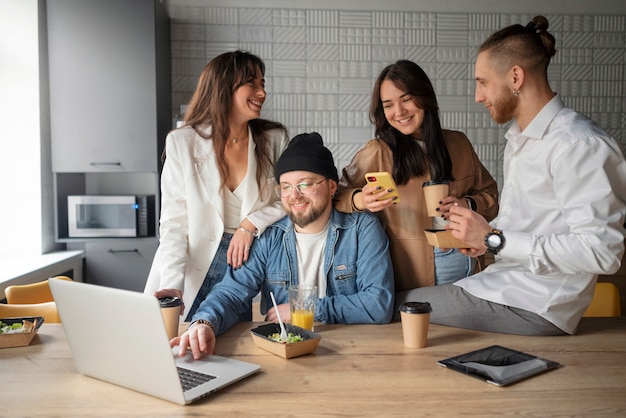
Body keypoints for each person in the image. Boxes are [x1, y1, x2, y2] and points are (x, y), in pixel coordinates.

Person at [397, 16, 626, 336]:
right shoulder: (519, 139)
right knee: (386, 302)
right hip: (502, 286)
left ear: (515, 76)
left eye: (482, 82)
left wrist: (494, 239)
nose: (478, 96)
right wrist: (485, 243)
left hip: (535, 305)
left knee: (391, 307)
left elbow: (603, 253)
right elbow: (532, 230)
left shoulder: (579, 145)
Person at [173, 132, 395, 358]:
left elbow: (378, 304)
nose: (294, 195)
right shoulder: (270, 237)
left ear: (331, 187)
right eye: (286, 187)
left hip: (355, 351)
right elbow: (231, 292)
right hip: (287, 352)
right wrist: (203, 323)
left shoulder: (362, 229)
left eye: (305, 184)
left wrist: (309, 310)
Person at [144, 50, 289, 321]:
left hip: (244, 263)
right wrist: (173, 284)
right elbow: (174, 223)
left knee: (233, 350)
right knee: (178, 349)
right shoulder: (182, 143)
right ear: (224, 87)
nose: (262, 92)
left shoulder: (273, 140)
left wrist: (251, 224)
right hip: (192, 262)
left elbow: (290, 198)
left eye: (263, 83)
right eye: (252, 83)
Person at [335, 60, 499, 292]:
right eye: (388, 105)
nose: (399, 112)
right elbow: (335, 195)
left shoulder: (458, 143)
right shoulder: (378, 152)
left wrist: (467, 204)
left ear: (425, 97)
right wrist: (360, 199)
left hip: (469, 270)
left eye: (406, 99)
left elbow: (490, 194)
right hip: (411, 277)